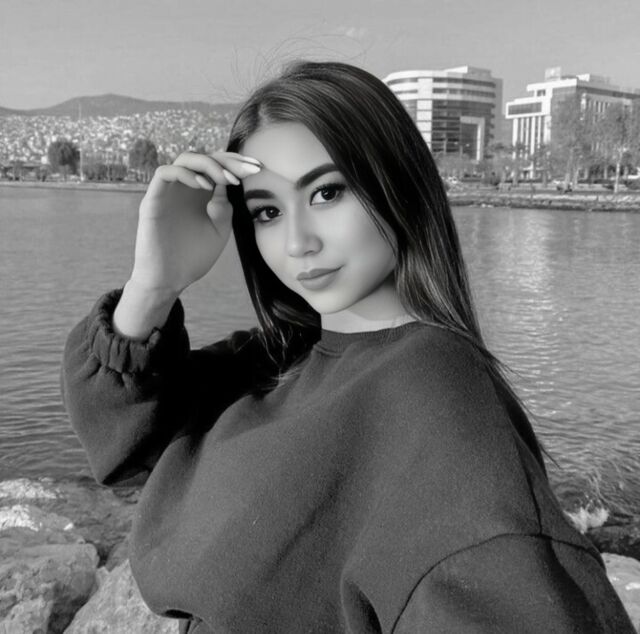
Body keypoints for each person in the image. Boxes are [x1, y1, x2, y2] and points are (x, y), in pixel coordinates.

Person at [61, 61, 635, 633]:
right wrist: (153, 286)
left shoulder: (437, 399)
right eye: (267, 211)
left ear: (399, 183)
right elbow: (123, 444)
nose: (297, 242)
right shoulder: (276, 358)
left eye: (327, 192)